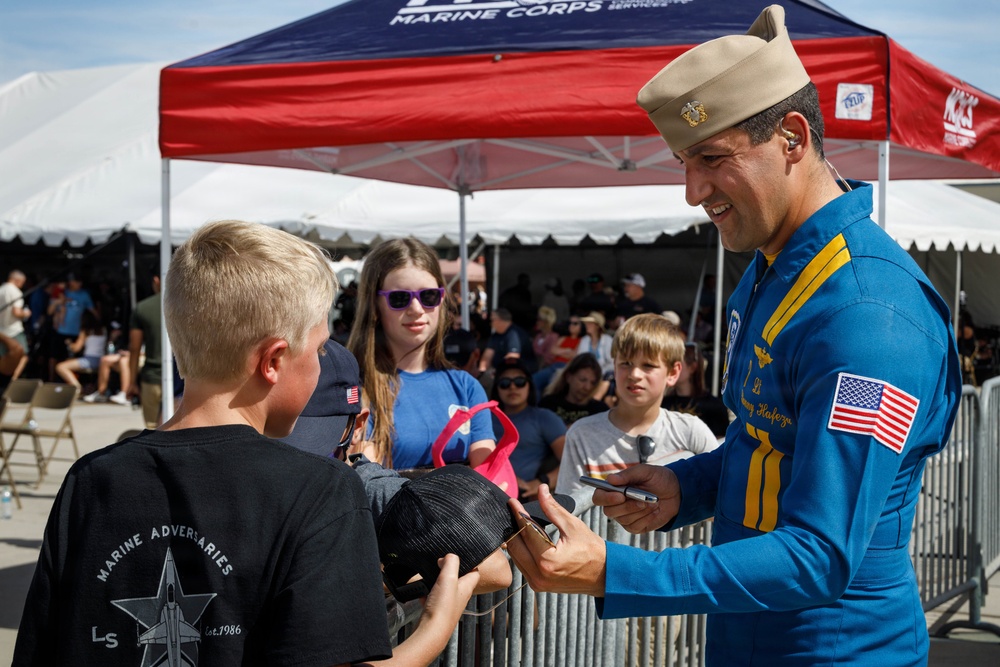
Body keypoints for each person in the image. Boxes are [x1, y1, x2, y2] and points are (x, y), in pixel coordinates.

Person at [506, 7, 961, 666]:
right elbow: (770, 443)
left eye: (713, 159)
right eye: (684, 162)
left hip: (838, 649)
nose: (693, 192)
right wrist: (685, 486)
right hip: (746, 636)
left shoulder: (870, 317)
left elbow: (821, 554)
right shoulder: (774, 266)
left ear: (792, 137)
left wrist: (617, 571)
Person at [13, 220, 480, 666]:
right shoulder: (322, 490)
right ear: (273, 361)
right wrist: (436, 624)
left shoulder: (90, 479)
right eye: (319, 349)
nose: (321, 363)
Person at [347, 237, 497, 471]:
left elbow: (491, 476)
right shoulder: (357, 388)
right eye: (399, 298)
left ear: (442, 299)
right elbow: (366, 480)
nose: (416, 309)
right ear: (374, 305)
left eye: (428, 296)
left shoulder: (466, 387)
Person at [556, 314, 718, 497]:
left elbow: (721, 494)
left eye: (648, 365)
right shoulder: (582, 435)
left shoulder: (691, 432)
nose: (634, 374)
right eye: (626, 363)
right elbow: (570, 507)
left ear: (673, 373)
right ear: (614, 367)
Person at [490, 358, 566, 501]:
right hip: (485, 492)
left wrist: (542, 482)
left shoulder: (544, 418)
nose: (512, 387)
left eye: (519, 382)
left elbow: (570, 461)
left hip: (524, 499)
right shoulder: (484, 419)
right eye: (505, 383)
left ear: (529, 386)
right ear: (497, 388)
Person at [661, 341, 730, 438]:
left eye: (677, 365)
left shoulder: (713, 406)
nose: (671, 370)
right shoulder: (663, 403)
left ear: (692, 367)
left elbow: (719, 442)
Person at [127, 273, 163, 429]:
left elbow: (134, 347)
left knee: (152, 429)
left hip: (152, 377)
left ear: (156, 280)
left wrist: (132, 382)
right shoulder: (189, 304)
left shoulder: (142, 308)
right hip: (184, 381)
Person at [46, 273, 96, 381]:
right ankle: (51, 381)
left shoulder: (84, 295)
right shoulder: (61, 292)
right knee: (54, 357)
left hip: (76, 332)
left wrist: (99, 322)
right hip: (59, 331)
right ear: (71, 282)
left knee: (71, 359)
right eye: (77, 281)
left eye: (80, 282)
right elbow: (49, 311)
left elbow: (92, 310)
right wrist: (59, 302)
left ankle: (69, 383)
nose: (79, 284)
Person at [538, 352, 609, 427]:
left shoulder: (600, 411)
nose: (588, 387)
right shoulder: (548, 404)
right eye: (582, 380)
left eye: (593, 383)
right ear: (568, 377)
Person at [53, 311, 107, 392]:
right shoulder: (103, 330)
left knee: (60, 367)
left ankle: (78, 388)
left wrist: (69, 343)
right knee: (70, 362)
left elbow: (76, 348)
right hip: (101, 360)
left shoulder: (85, 331)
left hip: (89, 360)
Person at [478, 307, 537, 376]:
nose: (490, 323)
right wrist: (482, 373)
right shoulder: (496, 335)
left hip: (520, 374)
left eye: (492, 320)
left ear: (500, 320)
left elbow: (512, 358)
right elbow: (487, 357)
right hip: (499, 372)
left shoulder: (514, 334)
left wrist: (497, 374)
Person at [0, 270, 31, 380]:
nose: (22, 285)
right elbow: (16, 312)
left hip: (1, 330)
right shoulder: (16, 292)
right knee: (23, 355)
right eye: (22, 282)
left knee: (4, 357)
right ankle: (13, 380)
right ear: (17, 280)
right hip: (13, 330)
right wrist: (25, 313)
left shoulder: (1, 289)